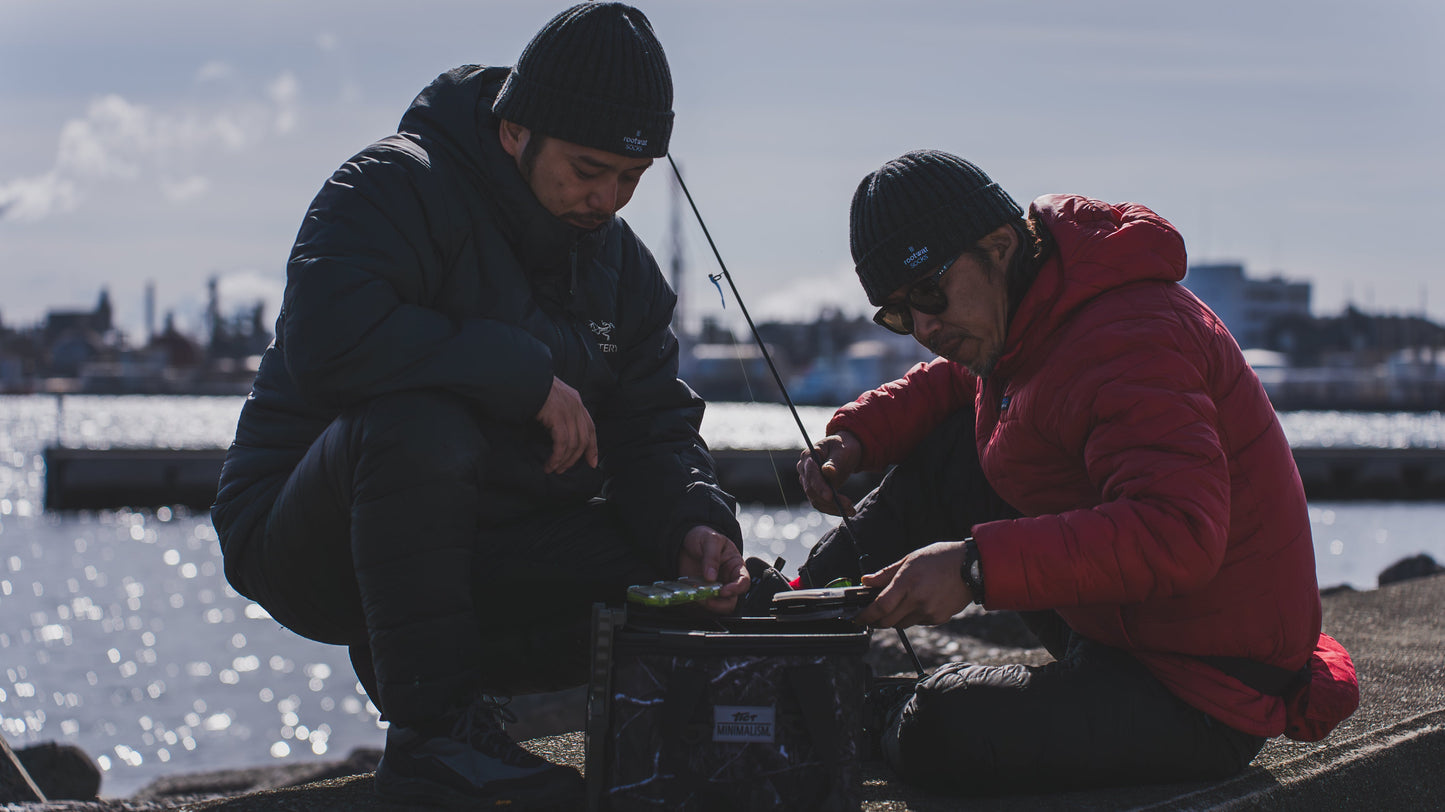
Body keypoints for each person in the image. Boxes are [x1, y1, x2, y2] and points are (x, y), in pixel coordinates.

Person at [211, 3, 749, 807]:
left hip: (477, 545)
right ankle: (432, 737)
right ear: (513, 133)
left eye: (629, 179)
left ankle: (667, 730)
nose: (606, 199)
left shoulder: (624, 272)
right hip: (307, 540)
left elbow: (652, 428)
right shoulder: (390, 185)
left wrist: (695, 524)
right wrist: (519, 373)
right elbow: (325, 341)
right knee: (420, 422)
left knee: (680, 574)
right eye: (586, 168)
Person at [795, 150, 1331, 792]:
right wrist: (856, 436)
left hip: (1207, 690)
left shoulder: (1129, 337)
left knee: (941, 731)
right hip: (1124, 627)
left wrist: (972, 567)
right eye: (899, 314)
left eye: (930, 292)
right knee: (956, 446)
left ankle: (846, 713)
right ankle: (795, 617)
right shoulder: (1030, 306)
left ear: (998, 246)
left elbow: (1179, 532)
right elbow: (947, 382)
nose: (924, 326)